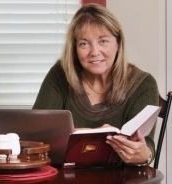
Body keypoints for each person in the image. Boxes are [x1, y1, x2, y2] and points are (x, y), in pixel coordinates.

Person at [33, 3, 159, 166]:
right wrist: (94, 134)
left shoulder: (144, 85)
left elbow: (145, 145)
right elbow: (37, 136)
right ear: (74, 48)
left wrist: (144, 154)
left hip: (121, 179)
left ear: (118, 43)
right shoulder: (60, 74)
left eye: (103, 41)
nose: (94, 52)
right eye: (84, 43)